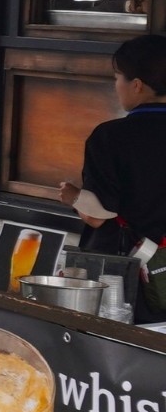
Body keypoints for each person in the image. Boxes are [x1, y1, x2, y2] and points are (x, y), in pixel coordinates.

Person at [60, 34, 166, 320]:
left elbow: (98, 215)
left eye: (117, 77)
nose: (116, 86)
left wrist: (73, 196)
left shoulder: (111, 137)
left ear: (137, 84)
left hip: (124, 274)